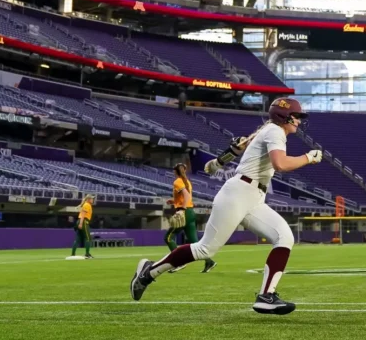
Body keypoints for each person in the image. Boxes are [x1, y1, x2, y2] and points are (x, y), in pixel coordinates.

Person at [130, 97, 322, 315]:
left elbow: (241, 147)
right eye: (296, 116)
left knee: (284, 237)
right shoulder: (275, 131)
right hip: (240, 192)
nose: (298, 121)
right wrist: (309, 157)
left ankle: (266, 296)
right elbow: (280, 164)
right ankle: (149, 272)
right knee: (205, 249)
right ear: (284, 116)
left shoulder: (269, 130)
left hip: (253, 195)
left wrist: (219, 162)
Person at [165, 163, 216, 273]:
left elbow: (187, 196)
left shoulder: (177, 181)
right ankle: (209, 261)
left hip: (184, 212)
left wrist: (182, 209)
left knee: (168, 238)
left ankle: (179, 262)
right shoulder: (186, 181)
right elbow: (186, 197)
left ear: (175, 171)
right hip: (190, 212)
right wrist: (174, 201)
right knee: (195, 242)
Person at [71, 194, 94, 259]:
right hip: (84, 221)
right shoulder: (87, 205)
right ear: (89, 199)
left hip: (80, 221)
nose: (93, 200)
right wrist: (81, 223)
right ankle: (87, 254)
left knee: (78, 239)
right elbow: (83, 215)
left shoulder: (85, 204)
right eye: (92, 198)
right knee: (88, 238)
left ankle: (73, 254)